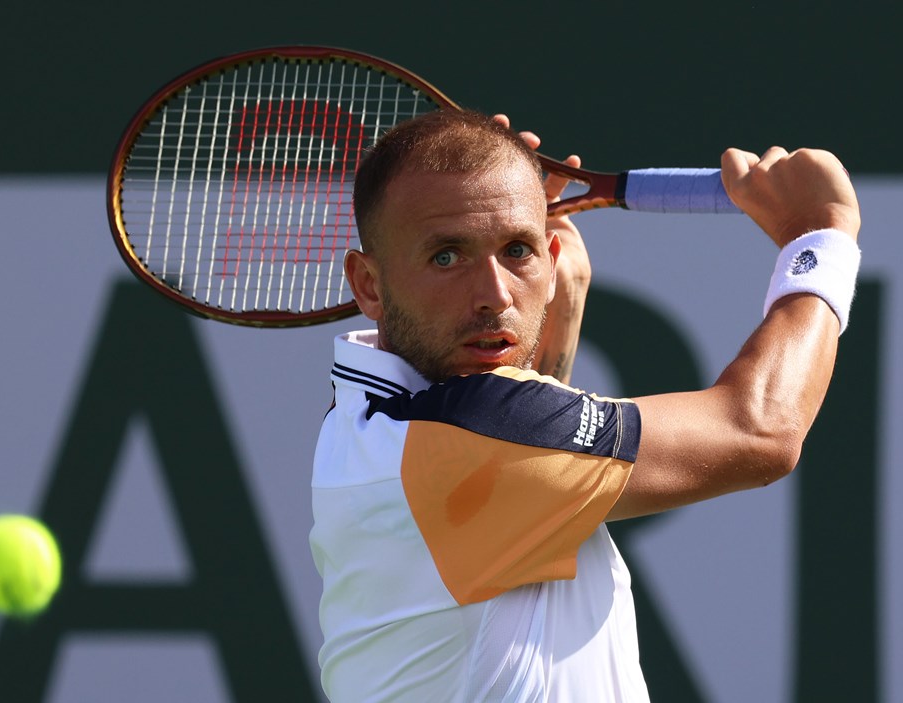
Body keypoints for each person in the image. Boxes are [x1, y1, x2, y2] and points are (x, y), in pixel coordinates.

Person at [309, 109, 861, 702]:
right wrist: (820, 237)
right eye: (447, 256)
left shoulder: (364, 422)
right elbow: (760, 429)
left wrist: (558, 320)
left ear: (549, 260)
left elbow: (520, 473)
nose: (494, 295)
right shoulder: (461, 436)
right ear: (368, 284)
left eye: (516, 250)